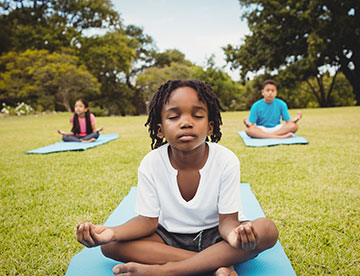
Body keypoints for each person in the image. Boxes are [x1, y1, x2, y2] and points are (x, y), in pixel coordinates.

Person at [76, 80, 279, 276]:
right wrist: (111, 232)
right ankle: (215, 265)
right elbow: (147, 222)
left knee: (267, 229)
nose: (186, 123)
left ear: (210, 127)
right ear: (160, 130)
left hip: (217, 236)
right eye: (174, 117)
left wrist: (236, 238)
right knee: (110, 246)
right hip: (168, 238)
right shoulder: (151, 162)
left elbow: (227, 221)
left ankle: (167, 271)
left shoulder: (226, 159)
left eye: (197, 116)